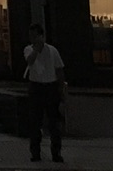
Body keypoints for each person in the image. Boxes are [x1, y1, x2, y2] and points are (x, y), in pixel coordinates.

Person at [21, 21, 66, 164]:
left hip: (50, 86)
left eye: (35, 36)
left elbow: (59, 70)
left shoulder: (52, 50)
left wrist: (61, 89)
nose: (33, 39)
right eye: (31, 36)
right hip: (36, 86)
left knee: (54, 122)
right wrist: (36, 49)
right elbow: (30, 61)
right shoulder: (28, 49)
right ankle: (35, 152)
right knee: (35, 121)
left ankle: (56, 152)